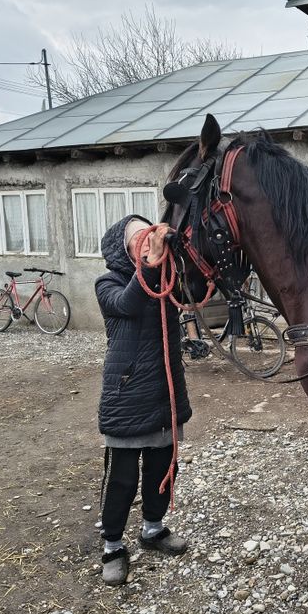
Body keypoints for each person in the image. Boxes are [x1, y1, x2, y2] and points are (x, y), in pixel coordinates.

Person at [95, 215, 192, 586]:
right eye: (139, 238)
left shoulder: (166, 278)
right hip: (127, 394)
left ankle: (153, 528)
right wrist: (151, 263)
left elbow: (193, 293)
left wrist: (180, 255)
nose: (147, 241)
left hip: (164, 392)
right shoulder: (108, 283)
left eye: (150, 234)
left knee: (163, 467)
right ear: (123, 247)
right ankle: (113, 546)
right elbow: (129, 304)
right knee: (121, 477)